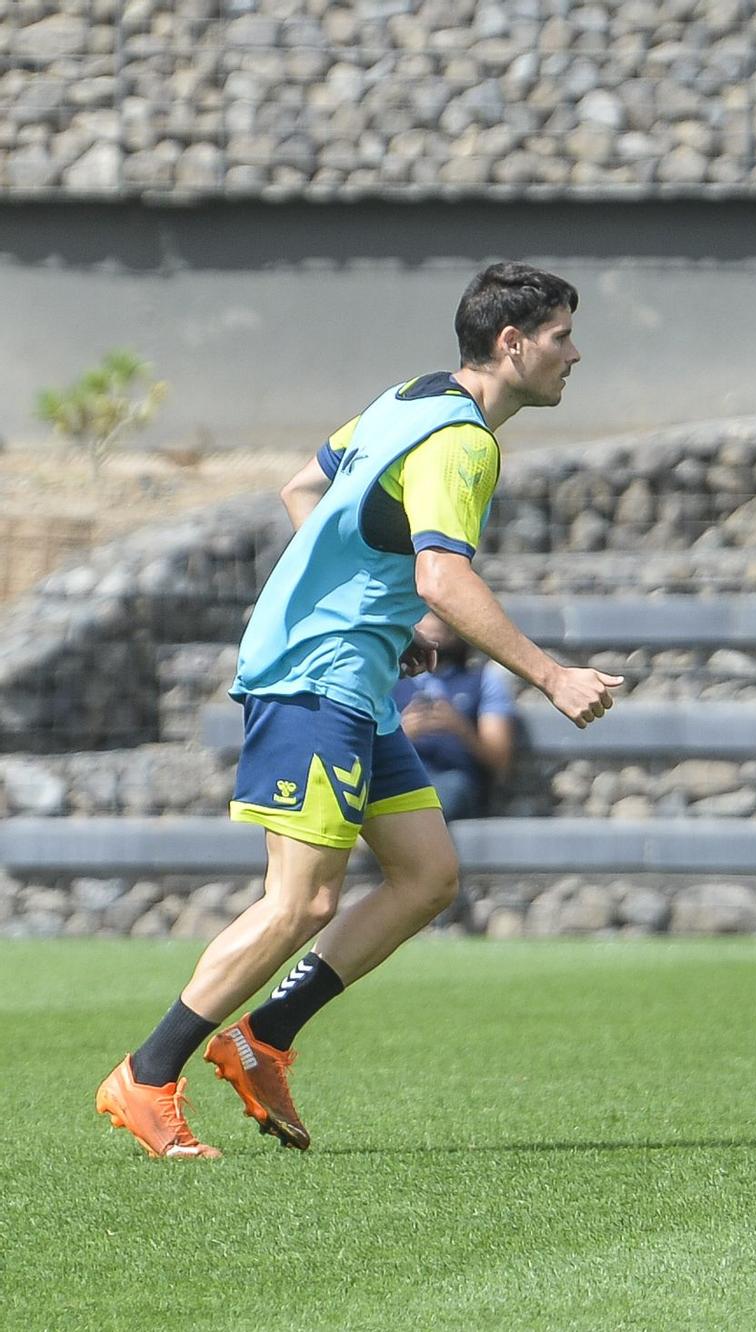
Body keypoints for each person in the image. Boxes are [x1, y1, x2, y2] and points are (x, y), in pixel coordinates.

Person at [96, 263, 623, 1158]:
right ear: (513, 344)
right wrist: (550, 675)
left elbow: (302, 488)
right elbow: (441, 574)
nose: (577, 353)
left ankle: (265, 1039)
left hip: (352, 672)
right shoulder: (463, 443)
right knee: (301, 904)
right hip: (315, 676)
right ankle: (147, 1076)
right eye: (563, 336)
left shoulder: (410, 397)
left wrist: (377, 611)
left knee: (427, 875)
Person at [392, 613, 518, 822]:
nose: (433, 625)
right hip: (398, 776)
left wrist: (459, 727)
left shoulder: (483, 680)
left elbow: (500, 761)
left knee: (442, 792)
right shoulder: (390, 679)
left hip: (453, 778)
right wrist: (402, 734)